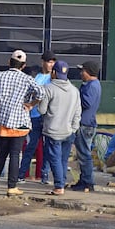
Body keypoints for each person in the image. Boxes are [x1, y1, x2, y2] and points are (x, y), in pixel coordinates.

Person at [0, 50, 44, 197]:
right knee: (15, 154)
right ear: (24, 65)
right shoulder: (27, 79)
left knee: (1, 154)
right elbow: (41, 93)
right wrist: (31, 104)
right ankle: (12, 186)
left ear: (9, 62)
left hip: (1, 121)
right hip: (19, 121)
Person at [38, 60, 80, 195]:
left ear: (54, 73)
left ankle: (59, 186)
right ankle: (61, 181)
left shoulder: (48, 88)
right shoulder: (74, 90)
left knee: (54, 159)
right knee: (63, 159)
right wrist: (74, 128)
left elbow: (42, 110)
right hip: (68, 131)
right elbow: (78, 112)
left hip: (52, 131)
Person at [18, 50, 55, 183]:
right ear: (43, 62)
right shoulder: (36, 77)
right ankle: (21, 174)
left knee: (47, 148)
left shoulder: (54, 78)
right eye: (48, 62)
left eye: (52, 62)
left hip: (48, 117)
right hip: (34, 116)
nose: (51, 65)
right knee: (30, 146)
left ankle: (44, 176)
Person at [72, 61, 102, 192]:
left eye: (83, 71)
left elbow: (87, 103)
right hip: (86, 123)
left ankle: (88, 182)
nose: (81, 73)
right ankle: (83, 180)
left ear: (89, 72)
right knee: (83, 154)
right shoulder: (91, 85)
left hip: (85, 124)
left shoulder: (92, 86)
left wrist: (75, 95)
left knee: (84, 155)